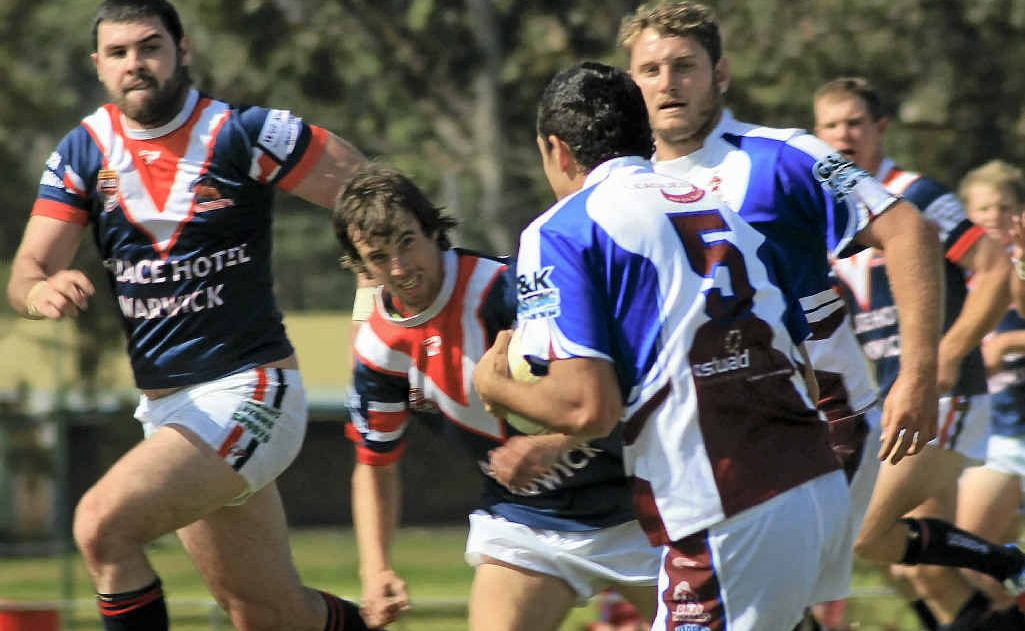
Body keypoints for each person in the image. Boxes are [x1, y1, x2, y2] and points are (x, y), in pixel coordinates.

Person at [618, 2, 1025, 627]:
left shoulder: (783, 155)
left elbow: (909, 231)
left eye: (684, 66)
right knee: (787, 589)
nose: (668, 84)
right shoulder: (621, 188)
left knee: (788, 580)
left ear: (720, 74)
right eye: (651, 70)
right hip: (705, 433)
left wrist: (921, 372)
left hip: (822, 420)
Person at [5, 1, 373, 630]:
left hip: (251, 392)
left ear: (183, 50)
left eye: (150, 47)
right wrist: (41, 292)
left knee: (101, 526)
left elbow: (371, 194)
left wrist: (376, 300)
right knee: (271, 615)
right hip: (171, 414)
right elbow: (27, 272)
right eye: (118, 53)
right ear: (98, 66)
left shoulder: (242, 131)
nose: (135, 64)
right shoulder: (84, 151)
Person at [474, 59, 851, 631]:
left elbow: (587, 407)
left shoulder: (561, 230)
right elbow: (800, 365)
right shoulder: (722, 209)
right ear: (645, 136)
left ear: (557, 150)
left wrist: (495, 386)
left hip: (729, 505)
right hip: (812, 482)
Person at [334, 164, 660, 631]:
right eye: (379, 256)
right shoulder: (379, 348)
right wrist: (376, 569)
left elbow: (627, 382)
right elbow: (374, 463)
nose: (400, 268)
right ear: (361, 266)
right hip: (528, 521)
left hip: (641, 505)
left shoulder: (512, 287)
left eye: (407, 242)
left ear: (433, 230)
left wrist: (554, 444)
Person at [814, 77, 1022, 629]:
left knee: (863, 533)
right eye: (831, 126)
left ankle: (1007, 563)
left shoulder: (916, 195)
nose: (843, 136)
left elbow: (995, 271)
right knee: (919, 571)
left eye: (855, 123)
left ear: (880, 129)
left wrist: (947, 354)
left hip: (940, 394)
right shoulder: (829, 215)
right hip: (889, 401)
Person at [955, 159, 1025, 610]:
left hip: (1014, 434)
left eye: (1005, 207)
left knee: (967, 554)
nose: (995, 216)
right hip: (984, 436)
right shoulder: (960, 279)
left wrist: (1008, 343)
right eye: (983, 208)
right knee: (974, 566)